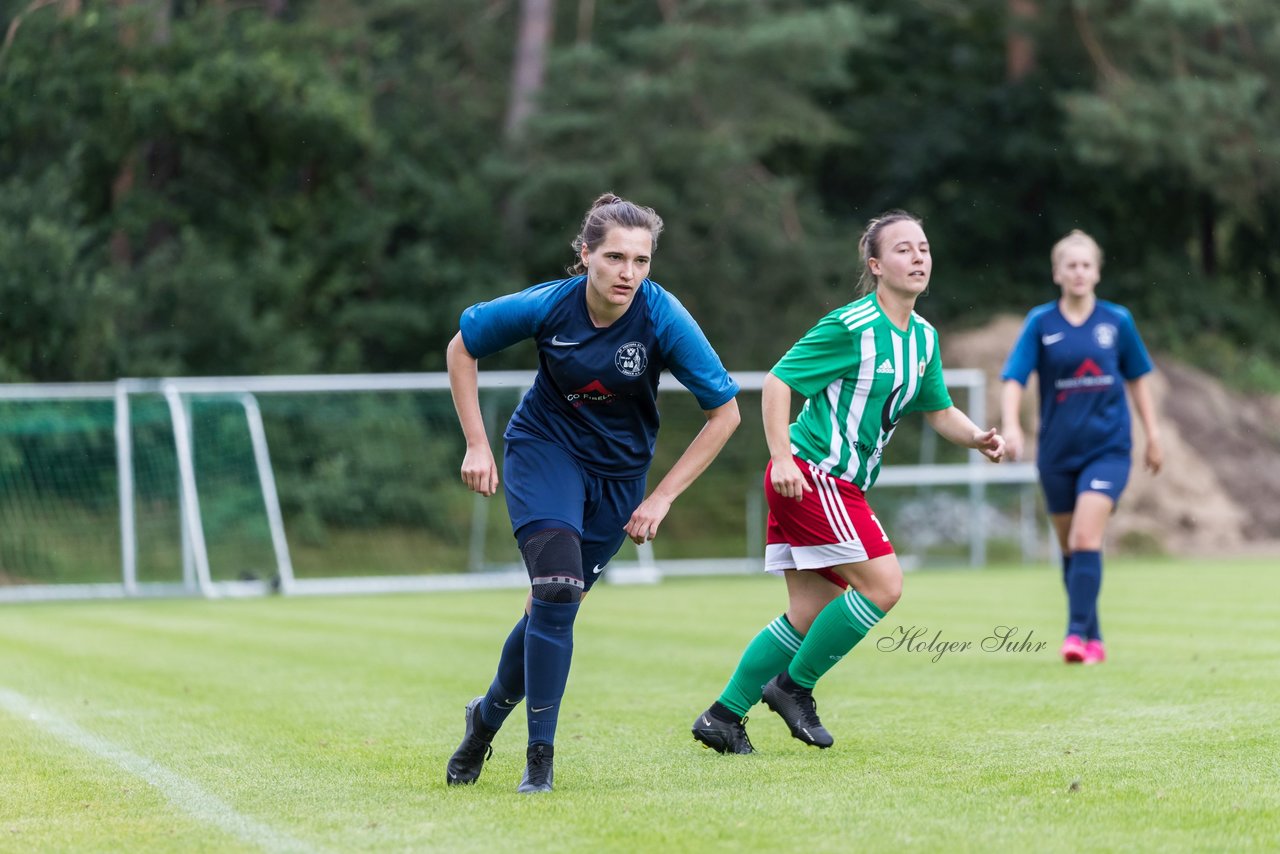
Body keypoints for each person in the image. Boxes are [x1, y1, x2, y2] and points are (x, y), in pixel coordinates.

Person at [444, 193, 740, 792]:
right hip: (543, 452)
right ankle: (540, 764)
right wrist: (476, 444)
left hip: (619, 479)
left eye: (642, 260)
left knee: (551, 610)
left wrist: (660, 499)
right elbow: (462, 347)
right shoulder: (551, 305)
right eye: (614, 258)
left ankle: (484, 720)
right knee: (555, 589)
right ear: (586, 256)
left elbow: (726, 414)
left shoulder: (662, 316)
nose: (628, 273)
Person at [691, 210, 1005, 754]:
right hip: (813, 475)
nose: (918, 257)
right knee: (884, 586)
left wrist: (976, 437)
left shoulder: (923, 339)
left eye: (924, 248)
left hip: (835, 484)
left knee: (808, 614)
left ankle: (722, 716)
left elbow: (939, 410)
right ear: (876, 265)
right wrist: (782, 458)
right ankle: (793, 687)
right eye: (904, 250)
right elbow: (777, 382)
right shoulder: (852, 325)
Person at [1000, 229, 1162, 666]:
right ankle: (1094, 638)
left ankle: (1074, 635)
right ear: (1057, 272)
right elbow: (1014, 378)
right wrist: (1012, 426)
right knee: (1072, 549)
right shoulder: (1040, 323)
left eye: (1086, 264)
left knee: (1086, 535)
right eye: (1070, 265)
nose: (1078, 272)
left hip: (1108, 449)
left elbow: (1138, 379)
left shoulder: (1117, 322)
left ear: (1097, 272)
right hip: (1056, 453)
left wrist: (1154, 435)